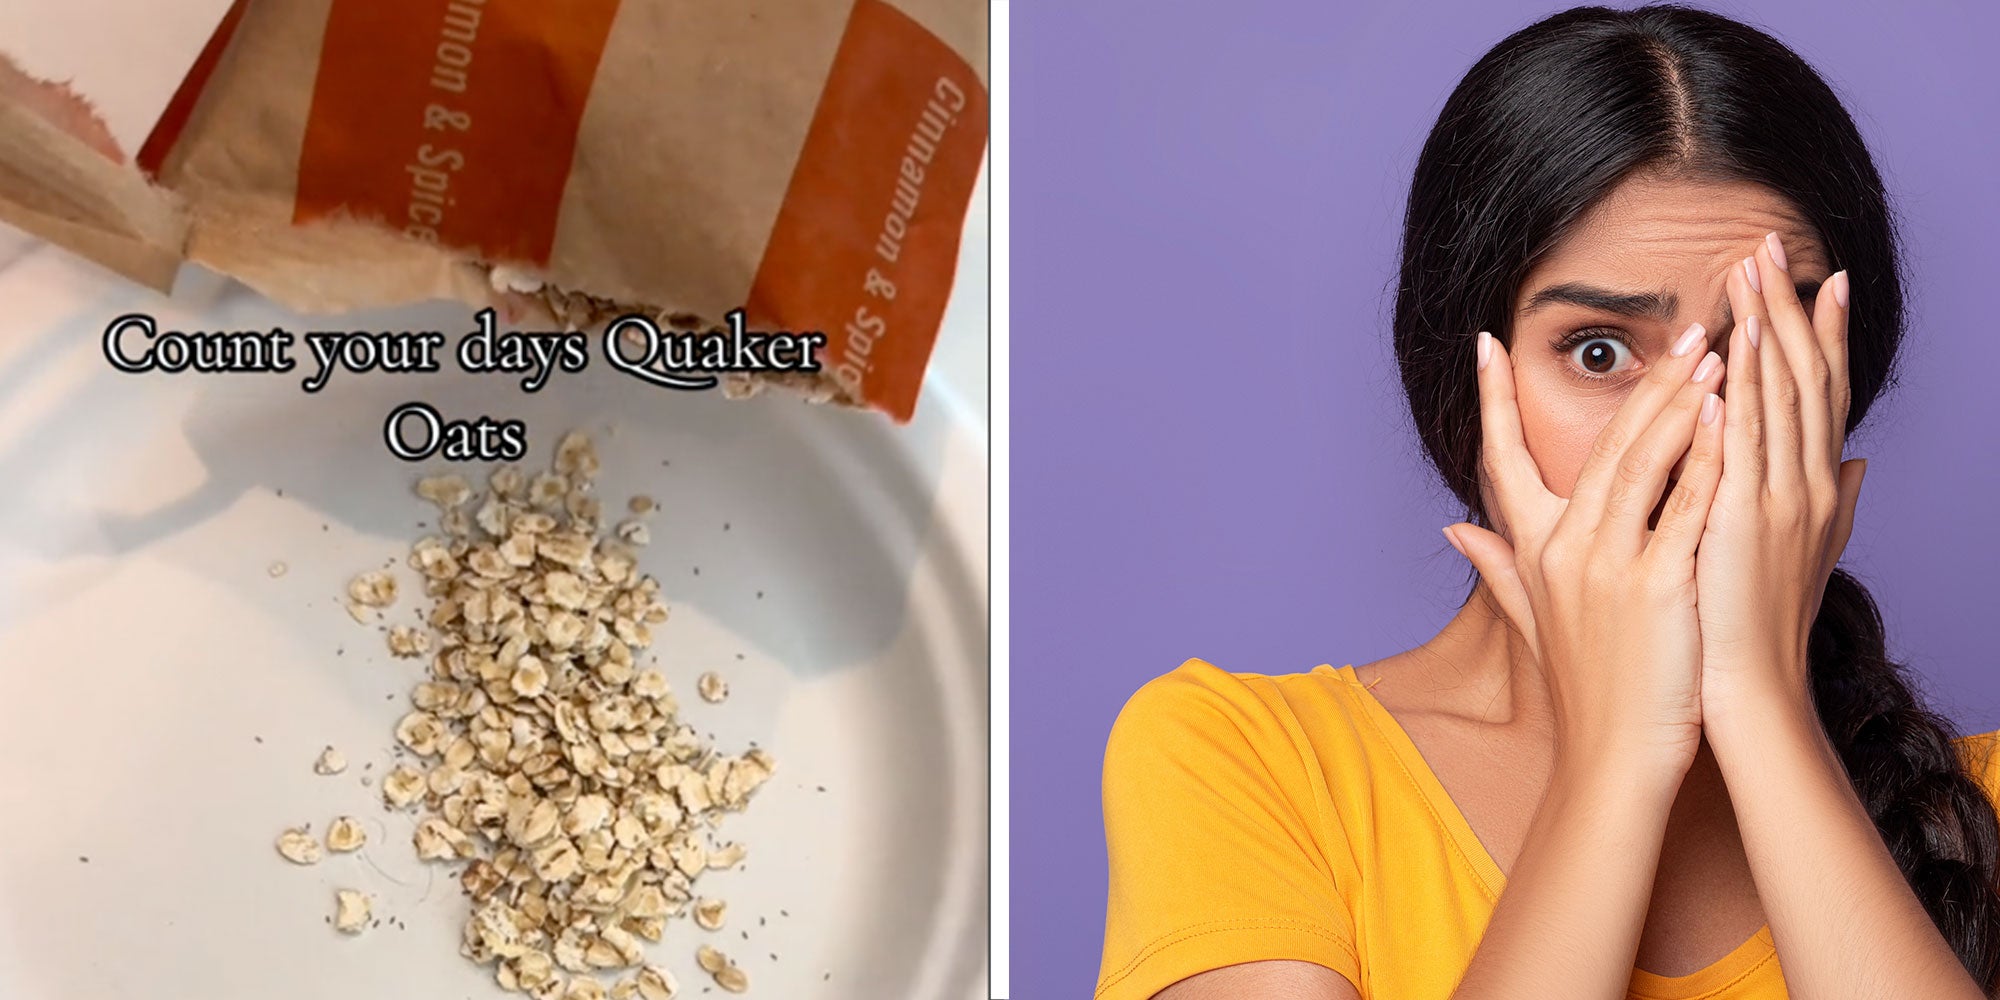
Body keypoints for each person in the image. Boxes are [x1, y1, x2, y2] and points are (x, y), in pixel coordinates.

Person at [1093, 5, 2000, 999]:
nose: (1692, 427)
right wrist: (1613, 757)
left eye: (1757, 351)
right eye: (1598, 351)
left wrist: (1758, 702)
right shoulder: (1248, 763)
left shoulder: (1976, 810)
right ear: (1465, 380)